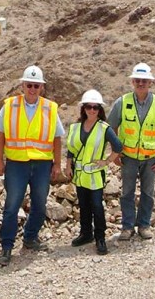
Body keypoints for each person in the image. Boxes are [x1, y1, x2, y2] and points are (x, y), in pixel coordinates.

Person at [0, 65, 65, 266]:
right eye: (29, 85)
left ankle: (30, 238)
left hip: (42, 164)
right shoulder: (9, 105)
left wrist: (57, 163)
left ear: (41, 87)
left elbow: (57, 137)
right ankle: (6, 246)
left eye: (36, 85)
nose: (32, 89)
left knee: (40, 204)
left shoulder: (50, 108)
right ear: (22, 85)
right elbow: (1, 134)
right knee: (12, 206)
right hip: (16, 163)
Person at [107, 62, 155, 241]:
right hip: (128, 158)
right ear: (133, 82)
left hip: (150, 158)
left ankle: (144, 225)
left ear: (150, 83)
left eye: (144, 81)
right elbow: (111, 126)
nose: (141, 83)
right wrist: (115, 152)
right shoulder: (122, 102)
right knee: (127, 193)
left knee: (147, 193)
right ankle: (127, 227)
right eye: (137, 80)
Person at [65, 90, 123, 255]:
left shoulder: (104, 128)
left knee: (97, 206)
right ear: (83, 108)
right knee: (83, 205)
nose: (92, 110)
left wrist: (107, 161)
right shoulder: (75, 127)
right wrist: (68, 166)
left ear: (100, 110)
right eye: (89, 107)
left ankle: (100, 238)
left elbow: (118, 147)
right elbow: (71, 149)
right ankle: (85, 234)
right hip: (80, 174)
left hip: (96, 175)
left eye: (95, 107)